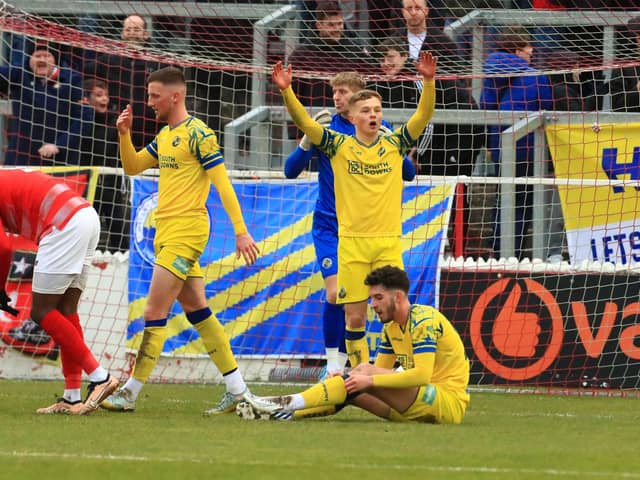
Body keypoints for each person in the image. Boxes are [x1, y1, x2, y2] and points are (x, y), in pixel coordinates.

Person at [102, 66, 271, 415]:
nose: (149, 103)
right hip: (165, 232)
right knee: (198, 310)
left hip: (187, 231)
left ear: (175, 96)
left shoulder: (200, 134)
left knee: (153, 311)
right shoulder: (165, 136)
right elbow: (133, 166)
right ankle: (238, 390)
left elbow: (222, 184)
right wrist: (124, 134)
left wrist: (240, 230)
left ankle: (130, 392)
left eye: (154, 96)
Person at [273, 50, 436, 368]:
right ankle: (345, 370)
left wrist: (428, 82)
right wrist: (286, 90)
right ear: (353, 115)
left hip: (387, 240)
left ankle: (400, 367)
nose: (374, 115)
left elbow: (422, 117)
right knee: (354, 315)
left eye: (377, 110)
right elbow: (304, 123)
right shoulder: (336, 144)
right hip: (348, 241)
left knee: (397, 307)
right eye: (367, 110)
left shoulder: (393, 142)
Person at [236, 265, 470, 423]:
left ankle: (280, 402)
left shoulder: (423, 320)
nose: (373, 304)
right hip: (414, 407)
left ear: (397, 297)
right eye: (371, 299)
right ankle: (281, 415)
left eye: (378, 298)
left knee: (359, 377)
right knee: (353, 388)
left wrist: (364, 377)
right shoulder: (391, 327)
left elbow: (421, 376)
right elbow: (380, 372)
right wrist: (352, 378)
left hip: (444, 403)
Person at [0, 169, 119, 414]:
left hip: (63, 225)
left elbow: (3, 247)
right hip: (85, 215)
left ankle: (100, 377)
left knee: (41, 311)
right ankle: (72, 397)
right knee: (66, 310)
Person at [480, 27, 554, 260]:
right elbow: (550, 110)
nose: (532, 50)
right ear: (516, 49)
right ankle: (516, 255)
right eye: (528, 46)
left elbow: (485, 109)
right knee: (523, 201)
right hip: (531, 149)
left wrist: (492, 146)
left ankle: (498, 249)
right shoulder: (536, 77)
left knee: (504, 197)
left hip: (501, 147)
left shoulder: (491, 75)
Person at [84, 14, 163, 148]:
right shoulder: (108, 60)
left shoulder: (158, 63)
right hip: (114, 127)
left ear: (145, 34)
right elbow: (84, 74)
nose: (132, 33)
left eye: (136, 30)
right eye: (128, 30)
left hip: (149, 129)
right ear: (122, 34)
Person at [0, 39, 83, 166]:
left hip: (58, 159)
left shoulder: (72, 80)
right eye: (37, 56)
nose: (42, 59)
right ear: (29, 59)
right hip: (20, 157)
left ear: (55, 60)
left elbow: (84, 119)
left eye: (47, 55)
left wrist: (59, 145)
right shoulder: (19, 74)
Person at [288, 1, 371, 107]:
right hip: (314, 119)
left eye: (340, 24)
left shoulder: (356, 51)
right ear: (319, 25)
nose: (337, 29)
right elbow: (293, 96)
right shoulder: (301, 56)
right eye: (331, 25)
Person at [80, 77, 130, 252]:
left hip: (111, 186)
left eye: (106, 95)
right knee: (85, 233)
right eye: (98, 95)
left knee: (119, 234)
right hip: (86, 187)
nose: (104, 99)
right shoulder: (80, 124)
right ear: (86, 99)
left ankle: (122, 262)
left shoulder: (116, 123)